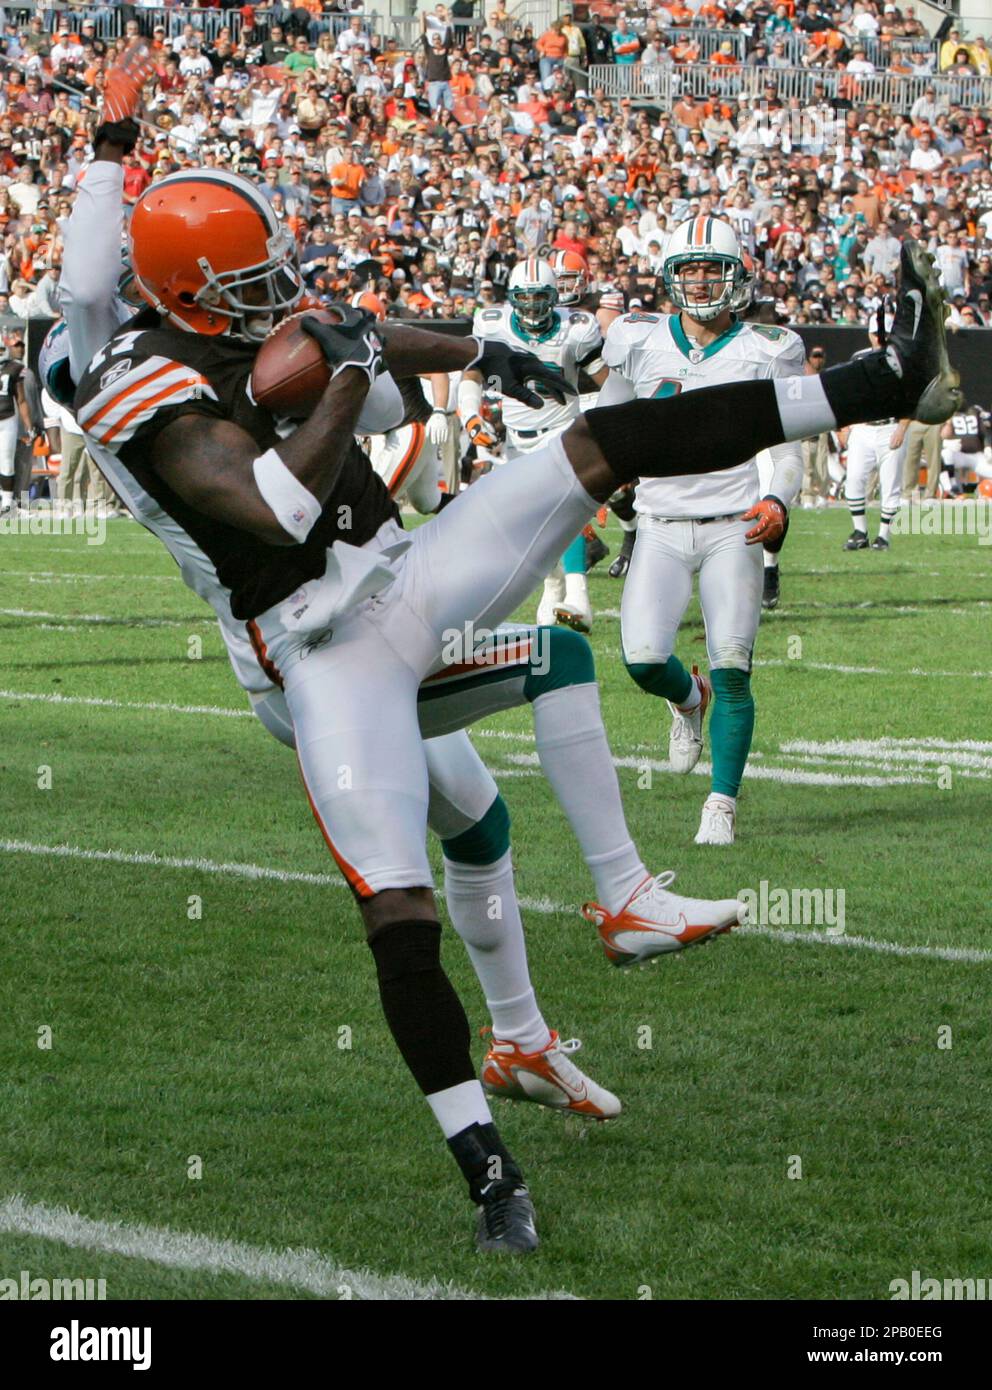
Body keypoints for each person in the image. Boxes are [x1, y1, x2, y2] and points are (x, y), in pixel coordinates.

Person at [72, 170, 960, 1249]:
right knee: (397, 915)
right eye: (250, 281)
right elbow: (276, 508)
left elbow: (362, 338)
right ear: (187, 294)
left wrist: (481, 353)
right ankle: (487, 1168)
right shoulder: (137, 388)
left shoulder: (254, 326)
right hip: (317, 653)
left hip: (402, 580)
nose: (276, 293)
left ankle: (880, 378)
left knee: (603, 445)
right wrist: (347, 376)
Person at [596, 216, 807, 847]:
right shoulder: (636, 338)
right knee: (640, 660)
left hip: (732, 525)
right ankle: (688, 699)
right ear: (670, 275)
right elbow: (606, 421)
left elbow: (788, 445)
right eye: (689, 268)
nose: (699, 279)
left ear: (736, 274)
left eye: (711, 267)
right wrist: (607, 478)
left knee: (735, 666)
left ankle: (722, 801)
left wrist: (776, 496)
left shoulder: (768, 347)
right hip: (659, 522)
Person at [462, 255, 607, 634]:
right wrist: (468, 414)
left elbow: (606, 379)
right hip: (516, 442)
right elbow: (473, 371)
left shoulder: (575, 329)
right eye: (523, 299)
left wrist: (619, 417)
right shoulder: (493, 326)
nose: (531, 308)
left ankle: (578, 597)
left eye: (539, 298)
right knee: (533, 527)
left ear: (553, 296)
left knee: (564, 511)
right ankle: (555, 586)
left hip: (562, 432)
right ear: (512, 298)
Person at [842, 311, 908, 552]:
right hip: (863, 427)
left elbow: (911, 397)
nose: (879, 338)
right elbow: (849, 394)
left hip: (890, 426)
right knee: (854, 480)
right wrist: (846, 424)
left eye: (884, 334)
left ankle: (883, 536)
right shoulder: (858, 358)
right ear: (869, 334)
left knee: (890, 484)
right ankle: (860, 531)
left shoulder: (903, 359)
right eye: (876, 334)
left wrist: (903, 426)